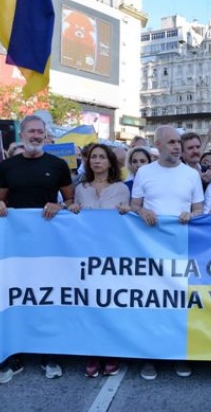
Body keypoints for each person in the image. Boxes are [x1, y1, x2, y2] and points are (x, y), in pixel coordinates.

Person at [0, 115, 74, 384]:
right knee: (16, 298)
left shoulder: (58, 165)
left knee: (47, 297)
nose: (36, 135)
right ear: (22, 134)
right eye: (31, 131)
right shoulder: (7, 166)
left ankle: (49, 354)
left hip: (49, 247)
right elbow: (0, 200)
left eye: (40, 131)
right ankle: (15, 356)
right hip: (15, 247)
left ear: (46, 135)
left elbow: (70, 198)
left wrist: (59, 205)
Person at [130, 125, 203, 380]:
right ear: (158, 145)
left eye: (178, 142)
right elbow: (134, 205)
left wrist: (190, 215)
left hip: (181, 250)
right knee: (151, 304)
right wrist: (142, 212)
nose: (176, 146)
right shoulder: (144, 172)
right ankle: (149, 357)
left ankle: (178, 356)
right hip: (149, 251)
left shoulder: (191, 175)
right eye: (171, 142)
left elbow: (199, 210)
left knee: (178, 305)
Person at [67, 143, 129, 377]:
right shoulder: (81, 188)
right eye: (93, 157)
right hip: (86, 254)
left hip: (112, 255)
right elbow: (74, 213)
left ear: (110, 162)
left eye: (102, 157)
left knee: (111, 304)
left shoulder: (121, 189)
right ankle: (93, 351)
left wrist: (128, 211)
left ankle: (111, 352)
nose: (97, 161)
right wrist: (71, 209)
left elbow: (128, 218)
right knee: (90, 305)